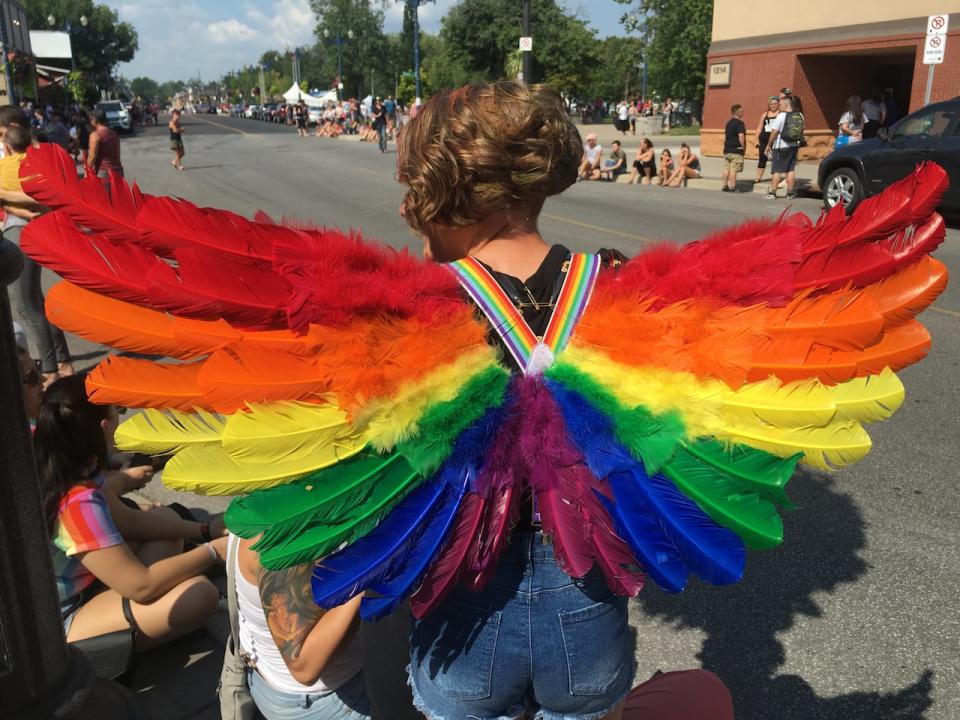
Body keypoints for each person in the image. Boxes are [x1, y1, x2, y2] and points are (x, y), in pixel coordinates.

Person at [36, 375, 225, 650]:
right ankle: (95, 652)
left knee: (168, 526)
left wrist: (205, 531)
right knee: (200, 595)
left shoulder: (68, 467)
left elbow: (130, 521)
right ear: (105, 426)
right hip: (62, 621)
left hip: (87, 586)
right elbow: (140, 585)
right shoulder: (77, 504)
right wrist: (215, 551)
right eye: (119, 412)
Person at [230, 533, 371, 719]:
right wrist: (374, 570)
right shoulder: (283, 535)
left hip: (270, 681)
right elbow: (304, 666)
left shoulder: (256, 507)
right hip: (326, 701)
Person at [0, 123, 74, 387]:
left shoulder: (5, 166)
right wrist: (26, 208)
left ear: (7, 143)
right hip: (36, 232)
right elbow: (41, 199)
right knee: (36, 304)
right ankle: (62, 363)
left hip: (18, 235)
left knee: (26, 307)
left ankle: (51, 370)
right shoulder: (37, 164)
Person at [764, 95, 801, 199]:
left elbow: (774, 132)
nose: (779, 106)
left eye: (780, 104)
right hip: (793, 146)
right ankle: (790, 193)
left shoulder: (781, 116)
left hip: (780, 146)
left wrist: (768, 145)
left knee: (777, 170)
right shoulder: (799, 115)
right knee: (791, 169)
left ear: (785, 105)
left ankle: (773, 193)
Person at [88, 109, 124, 181]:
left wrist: (87, 172)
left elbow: (92, 156)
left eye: (91, 120)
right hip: (118, 171)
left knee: (103, 192)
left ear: (94, 120)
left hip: (104, 172)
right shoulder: (114, 134)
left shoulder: (95, 135)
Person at [753, 96, 780, 184]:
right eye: (771, 104)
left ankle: (774, 179)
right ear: (769, 105)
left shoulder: (780, 114)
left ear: (778, 104)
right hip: (763, 141)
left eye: (775, 103)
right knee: (762, 159)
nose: (773, 105)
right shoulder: (765, 114)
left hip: (775, 141)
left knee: (775, 160)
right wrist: (755, 139)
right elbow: (759, 128)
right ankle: (758, 178)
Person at [722, 104, 746, 192]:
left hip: (727, 149)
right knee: (734, 169)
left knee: (726, 168)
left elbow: (726, 136)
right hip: (736, 149)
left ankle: (724, 186)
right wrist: (743, 147)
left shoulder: (728, 123)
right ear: (738, 112)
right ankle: (733, 186)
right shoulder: (740, 123)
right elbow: (741, 136)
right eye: (741, 111)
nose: (743, 112)